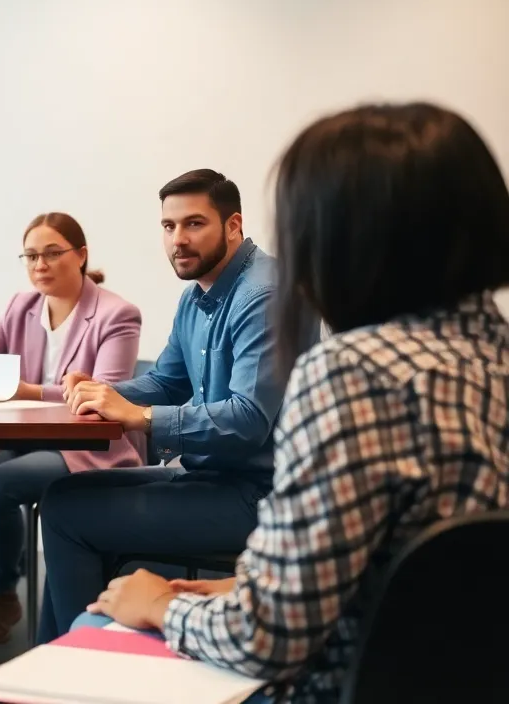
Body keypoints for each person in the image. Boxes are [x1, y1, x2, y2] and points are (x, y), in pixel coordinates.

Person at [75, 103, 509, 702]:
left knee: (94, 623)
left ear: (334, 236)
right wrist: (245, 584)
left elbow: (268, 637)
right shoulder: (492, 354)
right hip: (460, 676)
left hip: (329, 681)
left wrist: (160, 608)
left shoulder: (354, 372)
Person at [38, 169, 304, 643]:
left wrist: (138, 417)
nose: (178, 240)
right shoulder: (196, 295)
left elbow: (248, 420)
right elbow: (168, 380)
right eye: (168, 226)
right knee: (64, 497)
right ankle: (70, 661)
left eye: (194, 224)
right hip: (211, 477)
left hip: (258, 496)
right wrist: (102, 393)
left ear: (234, 226)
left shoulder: (263, 295)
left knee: (65, 512)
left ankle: (75, 665)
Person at [0, 212, 145, 645]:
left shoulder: (118, 314)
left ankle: (2, 595)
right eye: (31, 255)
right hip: (22, 441)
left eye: (52, 253)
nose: (40, 264)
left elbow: (107, 393)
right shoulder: (19, 307)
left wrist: (25, 390)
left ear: (81, 255)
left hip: (87, 449)